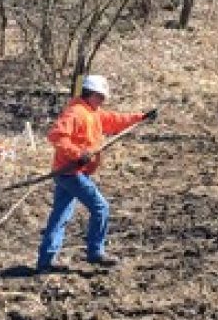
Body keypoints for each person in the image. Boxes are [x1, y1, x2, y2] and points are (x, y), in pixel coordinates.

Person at [36, 74, 157, 273]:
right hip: (70, 173)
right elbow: (56, 135)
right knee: (100, 207)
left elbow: (115, 121)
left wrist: (141, 118)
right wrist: (78, 153)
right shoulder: (75, 112)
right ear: (90, 94)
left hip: (73, 172)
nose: (102, 101)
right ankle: (95, 253)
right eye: (100, 97)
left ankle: (46, 261)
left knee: (60, 215)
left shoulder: (93, 112)